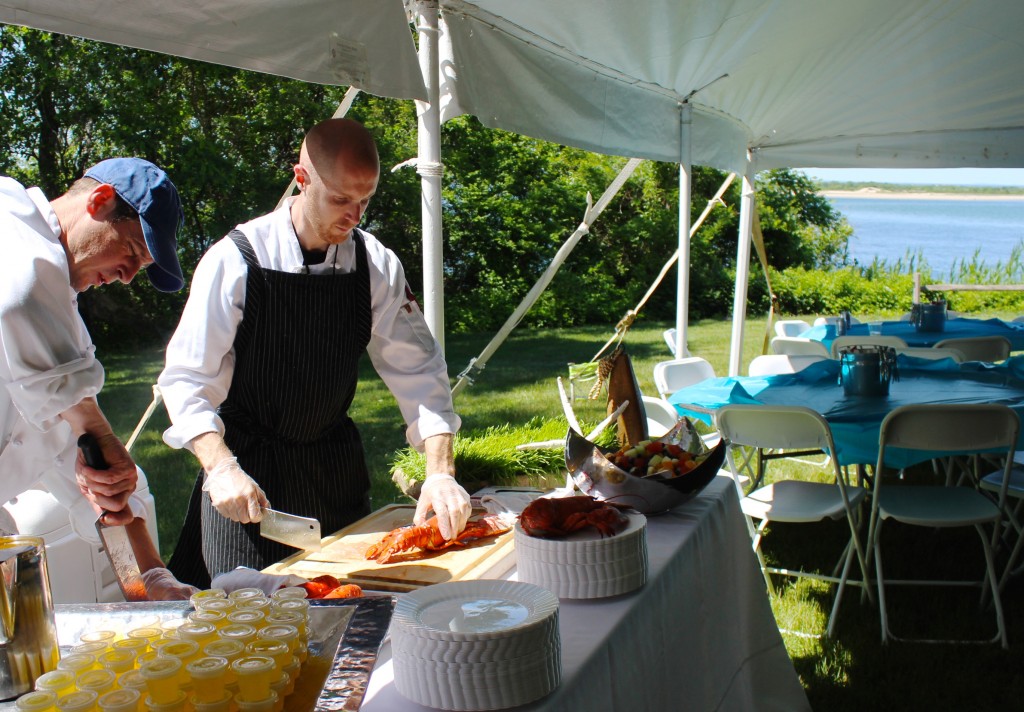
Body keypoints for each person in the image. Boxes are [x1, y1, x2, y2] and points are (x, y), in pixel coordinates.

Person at [159, 118, 470, 586]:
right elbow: (186, 378)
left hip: (333, 470)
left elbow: (420, 370)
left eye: (365, 200)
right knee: (253, 625)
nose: (355, 215)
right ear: (301, 180)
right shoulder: (237, 259)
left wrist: (440, 471)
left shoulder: (376, 264)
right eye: (341, 199)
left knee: (355, 607)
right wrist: (220, 467)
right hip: (249, 478)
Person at [0, 157, 195, 599]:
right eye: (131, 251)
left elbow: (86, 463)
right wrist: (97, 428)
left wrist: (149, 575)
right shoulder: (10, 219)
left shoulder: (61, 321)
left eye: (140, 267)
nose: (128, 277)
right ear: (100, 200)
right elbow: (20, 298)